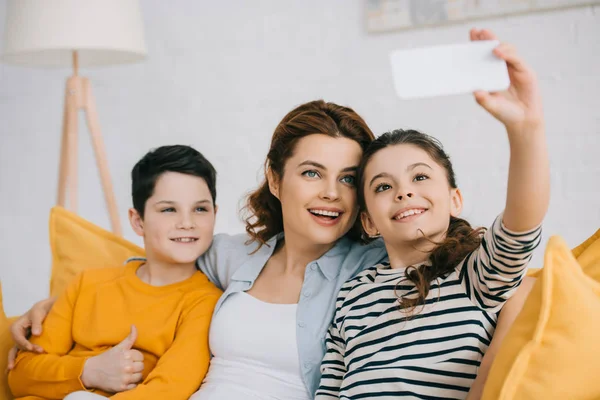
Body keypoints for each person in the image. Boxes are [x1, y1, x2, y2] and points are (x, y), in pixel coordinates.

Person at [9, 28, 538, 400]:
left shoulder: (373, 266)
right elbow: (159, 258)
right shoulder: (232, 254)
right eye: (311, 173)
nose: (331, 193)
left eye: (350, 179)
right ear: (275, 178)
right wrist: (55, 303)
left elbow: (495, 256)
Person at [315, 31, 548, 399]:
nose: (404, 192)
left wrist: (525, 129)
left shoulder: (477, 275)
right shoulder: (352, 295)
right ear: (369, 221)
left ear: (454, 200)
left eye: (420, 177)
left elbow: (522, 225)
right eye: (382, 187)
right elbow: (330, 387)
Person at [8, 145, 222, 400]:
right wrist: (89, 371)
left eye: (200, 209)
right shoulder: (88, 283)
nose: (187, 223)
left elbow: (168, 390)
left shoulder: (205, 302)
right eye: (168, 209)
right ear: (138, 221)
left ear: (214, 214)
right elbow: (21, 374)